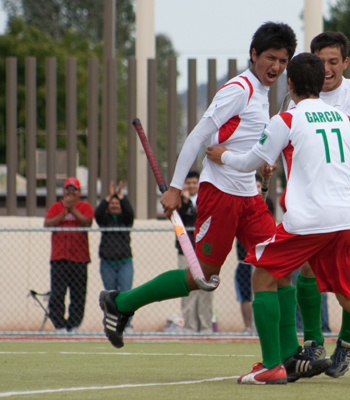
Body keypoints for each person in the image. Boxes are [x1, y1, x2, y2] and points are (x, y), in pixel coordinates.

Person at [99, 24, 321, 384]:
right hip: (220, 196)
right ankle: (120, 303)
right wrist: (174, 187)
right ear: (254, 54)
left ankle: (284, 357)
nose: (277, 66)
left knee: (279, 268)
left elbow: (242, 141)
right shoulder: (239, 88)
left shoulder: (263, 94)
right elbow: (201, 134)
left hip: (248, 196)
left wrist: (259, 160)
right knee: (202, 277)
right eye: (270, 58)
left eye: (283, 60)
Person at [207, 52, 350, 386]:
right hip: (345, 218)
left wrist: (221, 154)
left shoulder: (285, 119)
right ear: (319, 83)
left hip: (308, 220)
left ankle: (271, 365)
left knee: (262, 278)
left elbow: (250, 163)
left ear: (291, 83)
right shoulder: (342, 119)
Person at [283, 31, 350, 378]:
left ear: (345, 62)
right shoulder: (297, 101)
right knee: (308, 269)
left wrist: (338, 136)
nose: (327, 68)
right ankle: (313, 341)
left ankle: (347, 341)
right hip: (316, 192)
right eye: (321, 61)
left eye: (333, 61)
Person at [44, 177, 94, 334]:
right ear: (63, 191)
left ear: (79, 193)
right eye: (68, 190)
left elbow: (87, 222)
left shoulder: (85, 206)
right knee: (57, 293)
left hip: (79, 258)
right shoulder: (56, 207)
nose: (70, 193)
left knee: (78, 294)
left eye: (74, 190)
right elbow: (47, 223)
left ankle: (73, 325)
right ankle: (59, 325)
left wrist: (72, 210)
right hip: (59, 257)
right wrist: (63, 213)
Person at [234, 177, 274, 334]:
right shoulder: (239, 201)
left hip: (262, 259)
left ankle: (263, 327)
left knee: (264, 292)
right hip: (244, 260)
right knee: (245, 296)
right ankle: (248, 327)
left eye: (259, 186)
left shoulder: (266, 203)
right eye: (254, 186)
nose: (256, 188)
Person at [95, 181, 135, 332]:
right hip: (107, 264)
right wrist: (108, 198)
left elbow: (129, 211)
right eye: (111, 204)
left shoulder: (126, 220)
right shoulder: (104, 220)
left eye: (117, 203)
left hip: (125, 263)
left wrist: (120, 196)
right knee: (111, 295)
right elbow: (97, 213)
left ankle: (127, 324)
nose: (114, 205)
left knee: (126, 294)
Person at [177, 171, 214, 334]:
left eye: (194, 182)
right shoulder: (179, 202)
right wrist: (184, 201)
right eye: (189, 183)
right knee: (187, 290)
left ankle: (206, 327)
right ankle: (189, 327)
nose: (192, 186)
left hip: (205, 251)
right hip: (185, 251)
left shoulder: (206, 199)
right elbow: (179, 219)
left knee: (205, 290)